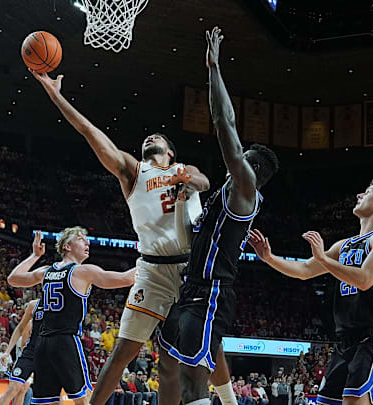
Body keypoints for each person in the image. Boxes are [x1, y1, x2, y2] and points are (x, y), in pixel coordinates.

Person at [31, 64, 211, 405]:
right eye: (147, 138)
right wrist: (57, 97)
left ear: (170, 152)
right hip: (153, 271)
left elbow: (205, 183)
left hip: (189, 273)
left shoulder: (183, 169)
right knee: (122, 352)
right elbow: (90, 132)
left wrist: (187, 179)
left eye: (157, 138)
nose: (149, 138)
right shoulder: (133, 171)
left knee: (171, 363)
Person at [159, 27, 279, 405]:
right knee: (174, 367)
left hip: (210, 293)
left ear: (251, 167)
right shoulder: (223, 195)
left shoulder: (245, 189)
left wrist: (214, 68)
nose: (235, 156)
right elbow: (198, 233)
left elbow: (224, 122)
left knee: (194, 381)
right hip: (191, 288)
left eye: (243, 156)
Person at [248, 177, 373, 405]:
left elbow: (365, 279)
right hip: (345, 338)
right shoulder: (344, 245)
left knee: (354, 400)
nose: (359, 196)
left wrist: (323, 258)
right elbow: (303, 270)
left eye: (367, 192)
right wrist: (269, 258)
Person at [7, 227, 137, 404]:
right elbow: (126, 279)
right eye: (81, 239)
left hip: (43, 344)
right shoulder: (82, 271)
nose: (87, 242)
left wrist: (35, 256)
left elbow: (13, 279)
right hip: (66, 341)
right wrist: (150, 260)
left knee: (48, 401)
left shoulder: (46, 271)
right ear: (67, 246)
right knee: (84, 399)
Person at [0, 299, 40, 405]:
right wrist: (7, 352)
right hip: (29, 353)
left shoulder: (62, 308)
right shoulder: (32, 313)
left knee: (52, 393)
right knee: (17, 388)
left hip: (49, 355)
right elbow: (23, 342)